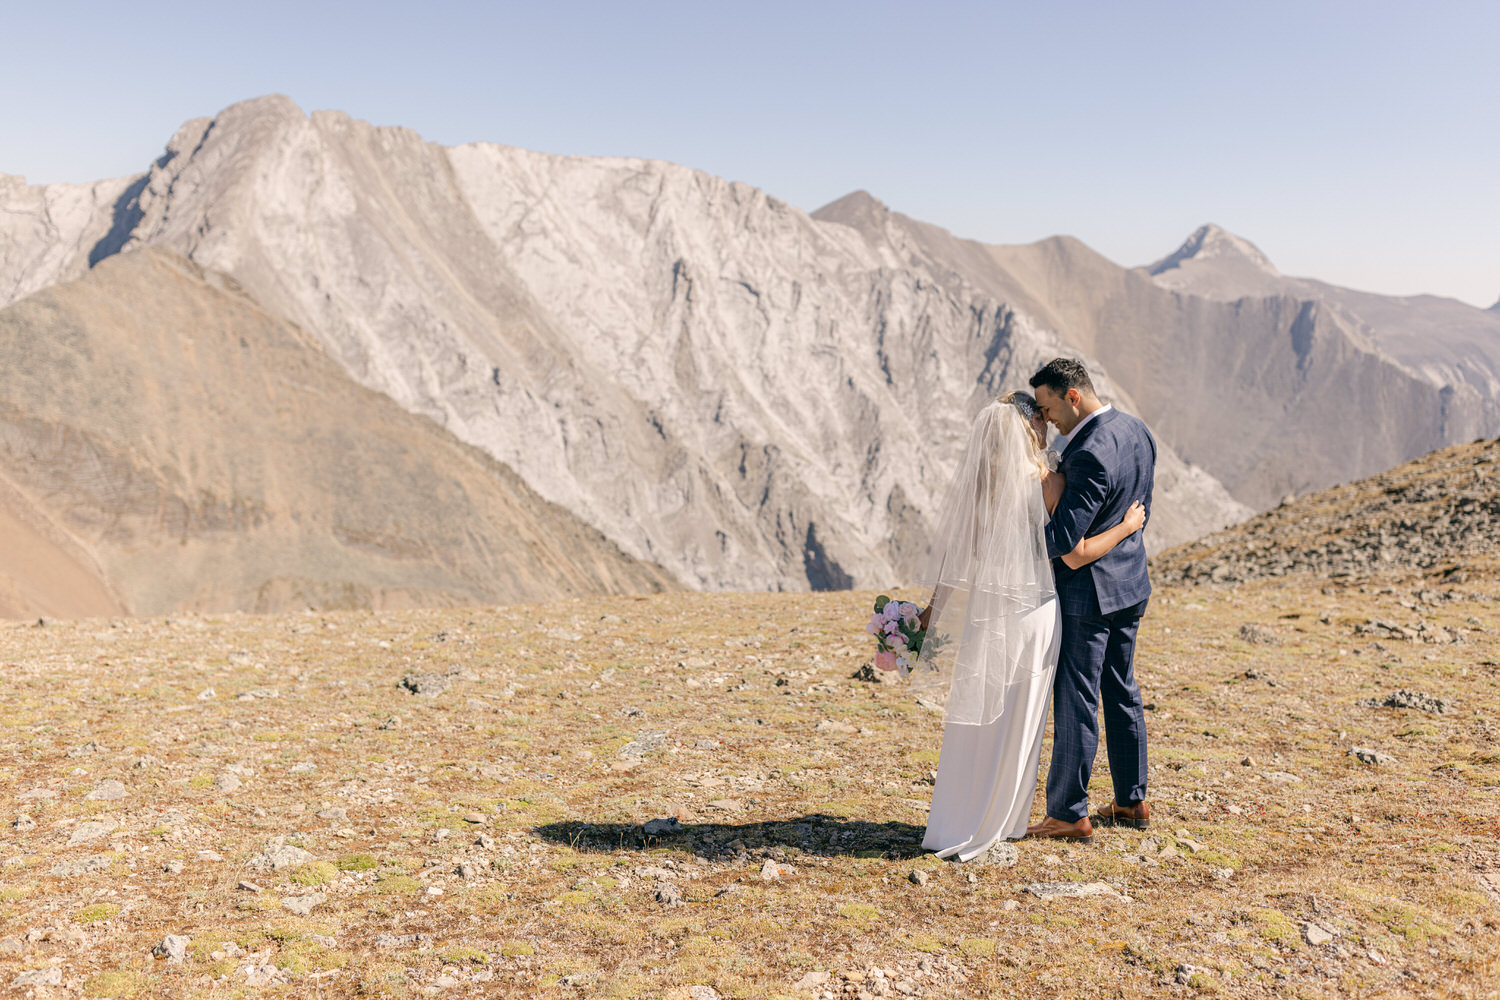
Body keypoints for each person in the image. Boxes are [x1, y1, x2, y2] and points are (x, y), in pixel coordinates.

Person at [912, 389, 1145, 859]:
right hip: (1035, 612)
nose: (1046, 424)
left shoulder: (985, 485)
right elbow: (1076, 554)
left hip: (987, 614)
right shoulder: (1046, 478)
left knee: (979, 715)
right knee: (1020, 720)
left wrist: (928, 615)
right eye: (1039, 419)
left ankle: (959, 818)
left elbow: (958, 560)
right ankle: (1003, 819)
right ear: (1027, 428)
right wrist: (1126, 527)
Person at [1025, 358, 1156, 843]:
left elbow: (1065, 542)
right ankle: (1132, 799)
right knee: (1121, 689)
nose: (1049, 419)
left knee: (1077, 699)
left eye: (1049, 407)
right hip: (1130, 585)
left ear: (1072, 397)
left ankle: (1067, 812)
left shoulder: (1088, 452)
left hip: (1088, 597)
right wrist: (1124, 532)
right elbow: (1140, 508)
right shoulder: (1137, 430)